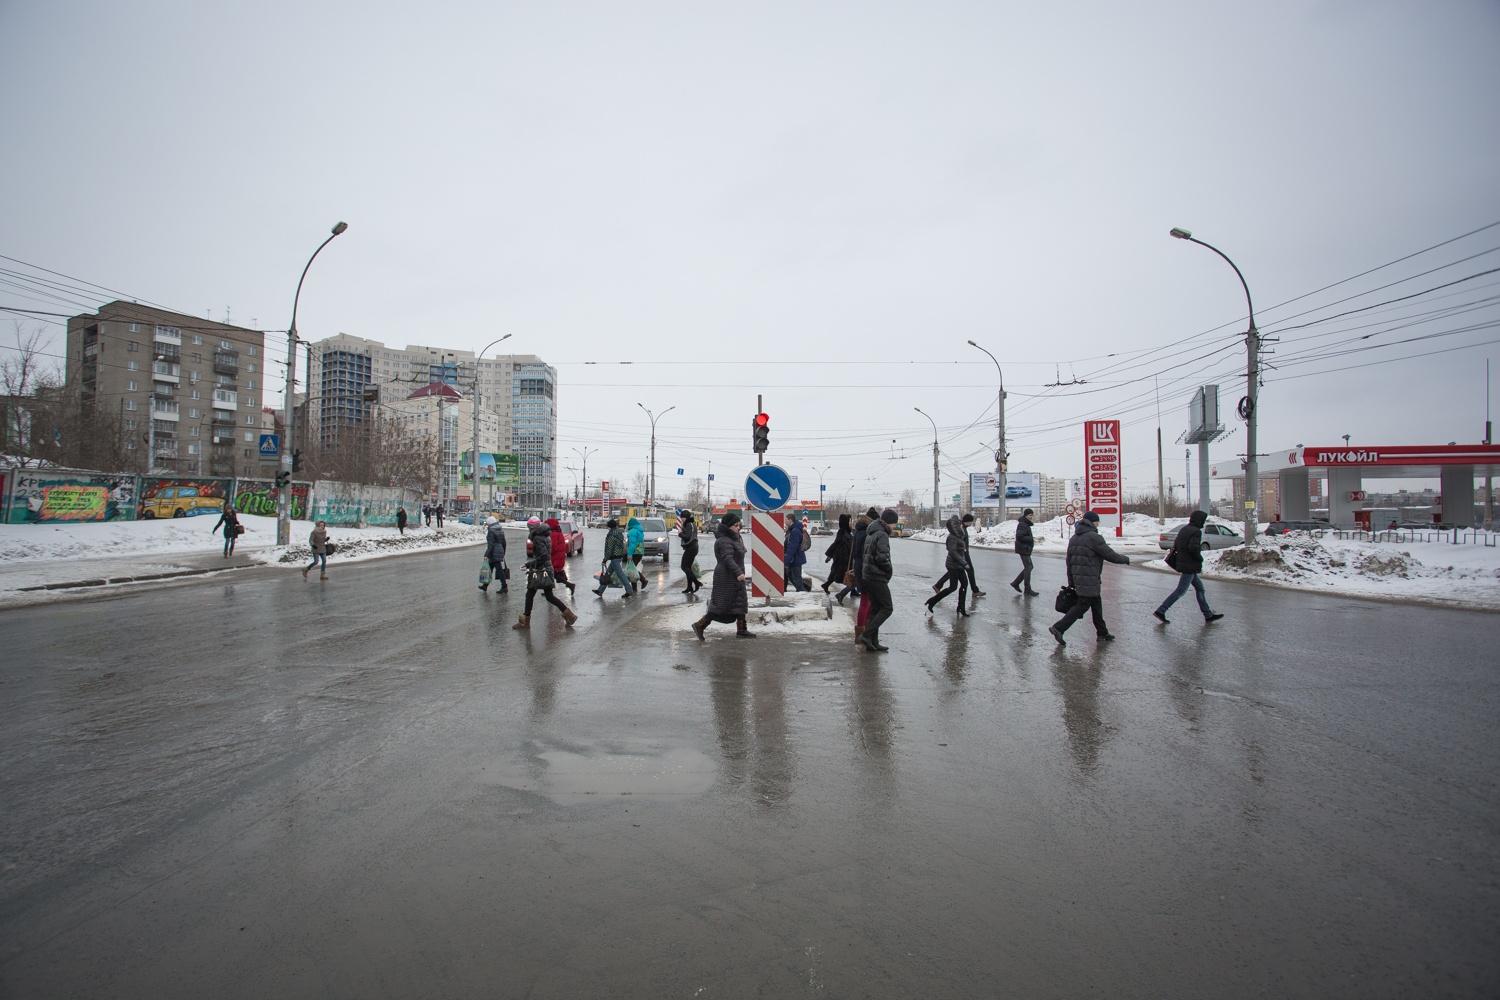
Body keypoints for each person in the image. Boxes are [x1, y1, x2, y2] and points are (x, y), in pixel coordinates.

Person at [1049, 511, 1130, 645]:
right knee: (1082, 605)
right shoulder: (1094, 537)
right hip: (1089, 579)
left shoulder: (1074, 538)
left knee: (1096, 604)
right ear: (1093, 522)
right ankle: (1059, 628)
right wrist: (1125, 559)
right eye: (1097, 521)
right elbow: (1109, 554)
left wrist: (1071, 581)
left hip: (1079, 579)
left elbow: (1069, 561)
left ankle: (1102, 632)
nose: (1098, 524)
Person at [1153, 509, 1225, 625]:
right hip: (1189, 565)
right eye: (1203, 520)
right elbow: (1193, 548)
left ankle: (1208, 614)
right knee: (1181, 590)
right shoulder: (1196, 531)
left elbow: (1177, 545)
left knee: (1200, 588)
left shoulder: (1184, 529)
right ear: (1199, 520)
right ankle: (1161, 610)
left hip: (1185, 563)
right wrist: (1199, 558)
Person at [691, 511, 755, 639]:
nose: (738, 528)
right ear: (727, 526)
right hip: (726, 577)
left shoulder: (733, 538)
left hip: (735, 575)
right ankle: (700, 625)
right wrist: (738, 572)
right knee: (722, 605)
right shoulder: (724, 541)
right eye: (735, 526)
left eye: (739, 525)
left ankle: (742, 629)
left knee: (740, 602)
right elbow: (728, 559)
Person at [513, 517, 577, 628]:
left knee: (531, 594)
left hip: (540, 570)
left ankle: (525, 621)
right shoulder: (545, 535)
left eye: (529, 527)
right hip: (545, 568)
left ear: (532, 527)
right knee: (547, 596)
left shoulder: (537, 538)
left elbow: (542, 556)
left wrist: (529, 564)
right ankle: (569, 615)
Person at [858, 509, 899, 652]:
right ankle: (866, 635)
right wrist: (888, 571)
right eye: (894, 523)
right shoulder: (882, 534)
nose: (895, 527)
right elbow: (882, 558)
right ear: (890, 522)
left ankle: (873, 642)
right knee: (887, 608)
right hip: (877, 575)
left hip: (868, 575)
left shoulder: (872, 532)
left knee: (876, 609)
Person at [926, 514, 971, 617]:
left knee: (964, 584)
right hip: (953, 565)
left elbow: (958, 550)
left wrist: (963, 552)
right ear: (955, 527)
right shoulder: (952, 537)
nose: (961, 526)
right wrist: (964, 563)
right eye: (959, 524)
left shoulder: (959, 535)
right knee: (953, 587)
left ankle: (961, 607)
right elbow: (953, 552)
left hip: (959, 565)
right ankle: (932, 601)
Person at [594, 518, 633, 598]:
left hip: (614, 557)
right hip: (618, 556)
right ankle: (600, 591)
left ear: (610, 526)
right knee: (607, 574)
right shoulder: (619, 533)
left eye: (608, 526)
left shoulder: (611, 535)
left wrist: (605, 560)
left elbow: (609, 548)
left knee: (621, 575)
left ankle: (629, 591)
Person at [822, 514, 853, 601]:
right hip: (842, 558)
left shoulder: (848, 531)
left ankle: (826, 585)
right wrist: (829, 555)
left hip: (846, 557)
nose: (851, 522)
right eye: (849, 521)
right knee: (846, 574)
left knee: (838, 573)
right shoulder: (842, 532)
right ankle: (843, 593)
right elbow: (836, 544)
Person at [1010, 508, 1039, 596]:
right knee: (1028, 567)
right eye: (1030, 515)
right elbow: (1019, 536)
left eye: (1032, 515)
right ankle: (1027, 589)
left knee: (1029, 567)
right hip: (1023, 548)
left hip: (1025, 548)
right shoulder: (1023, 524)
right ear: (1025, 516)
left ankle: (1016, 583)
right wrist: (1030, 539)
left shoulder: (1025, 524)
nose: (1031, 517)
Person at [547, 517, 576, 598]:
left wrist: (547, 553)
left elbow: (553, 547)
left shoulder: (553, 534)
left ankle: (569, 585)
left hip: (555, 558)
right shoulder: (559, 533)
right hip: (559, 557)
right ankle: (549, 590)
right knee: (554, 574)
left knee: (554, 574)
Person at [481, 515, 508, 593]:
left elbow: (491, 544)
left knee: (499, 570)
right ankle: (485, 585)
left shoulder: (491, 531)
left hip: (493, 552)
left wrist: (486, 554)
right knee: (489, 569)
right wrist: (503, 552)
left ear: (490, 523)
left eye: (488, 524)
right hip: (499, 551)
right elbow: (504, 542)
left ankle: (504, 586)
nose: (487, 525)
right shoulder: (500, 530)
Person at [678, 511, 702, 594]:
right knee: (688, 567)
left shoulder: (688, 524)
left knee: (684, 566)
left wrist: (680, 534)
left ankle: (696, 583)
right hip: (694, 547)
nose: (681, 519)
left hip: (690, 548)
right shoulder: (692, 523)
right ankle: (689, 587)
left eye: (682, 517)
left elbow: (687, 537)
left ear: (685, 517)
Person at [784, 514, 810, 592]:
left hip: (795, 558)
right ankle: (804, 589)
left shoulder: (795, 531)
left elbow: (792, 547)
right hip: (795, 558)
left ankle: (802, 592)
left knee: (796, 577)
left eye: (786, 519)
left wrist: (787, 561)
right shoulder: (794, 529)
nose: (785, 521)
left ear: (790, 520)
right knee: (792, 576)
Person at [961, 513, 984, 600]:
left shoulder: (963, 528)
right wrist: (964, 548)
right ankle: (975, 590)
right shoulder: (962, 528)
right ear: (967, 521)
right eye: (970, 521)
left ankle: (938, 585)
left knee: (955, 571)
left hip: (964, 553)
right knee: (969, 571)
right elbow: (959, 539)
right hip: (963, 554)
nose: (971, 523)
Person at [626, 516, 648, 591]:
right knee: (632, 569)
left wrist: (629, 554)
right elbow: (642, 544)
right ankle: (634, 587)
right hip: (639, 552)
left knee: (632, 570)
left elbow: (632, 544)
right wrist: (642, 553)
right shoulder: (640, 531)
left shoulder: (632, 532)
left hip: (634, 552)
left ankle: (643, 581)